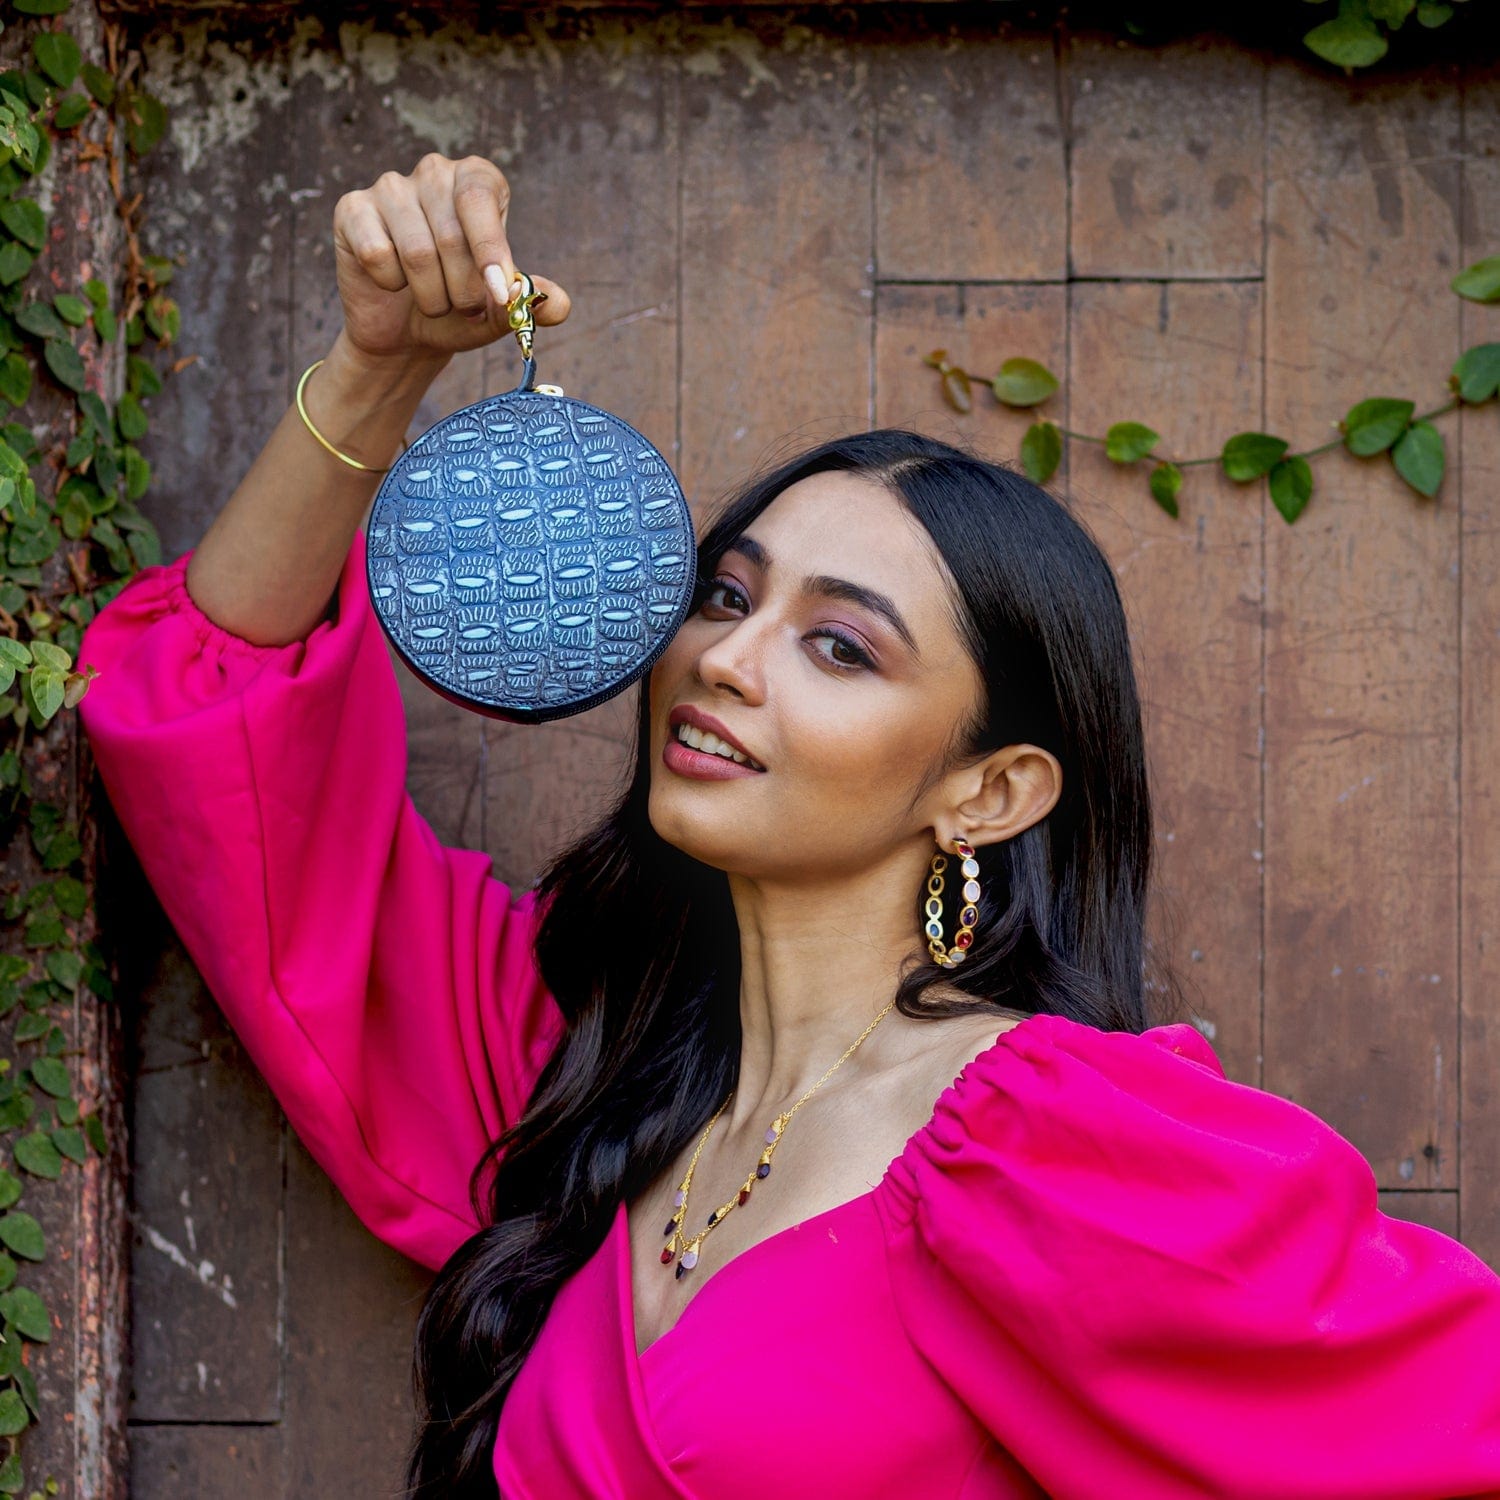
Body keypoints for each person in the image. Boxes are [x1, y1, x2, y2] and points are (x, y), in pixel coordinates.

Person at [76, 153, 1500, 1500]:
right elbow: (215, 728)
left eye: (841, 649)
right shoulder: (568, 1080)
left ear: (988, 792)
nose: (727, 660)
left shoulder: (1053, 1147)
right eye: (727, 595)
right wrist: (381, 369)